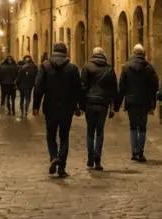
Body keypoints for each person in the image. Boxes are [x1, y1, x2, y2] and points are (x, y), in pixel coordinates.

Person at [33, 43, 81, 178]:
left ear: (53, 52)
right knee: (64, 137)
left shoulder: (45, 66)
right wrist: (79, 106)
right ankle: (62, 167)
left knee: (51, 134)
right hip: (67, 107)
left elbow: (38, 87)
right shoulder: (72, 68)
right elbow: (77, 89)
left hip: (50, 106)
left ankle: (54, 156)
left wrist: (36, 106)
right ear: (65, 52)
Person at [117, 44, 158, 162]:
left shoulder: (126, 67)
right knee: (142, 127)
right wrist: (153, 103)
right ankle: (141, 151)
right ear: (143, 54)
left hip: (131, 101)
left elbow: (122, 86)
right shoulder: (149, 68)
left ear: (134, 53)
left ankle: (134, 151)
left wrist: (118, 103)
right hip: (144, 101)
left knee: (133, 126)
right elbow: (154, 87)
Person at [79, 46, 119, 171]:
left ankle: (90, 157)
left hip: (90, 102)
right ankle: (98, 159)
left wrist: (81, 104)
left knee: (90, 131)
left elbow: (83, 87)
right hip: (103, 103)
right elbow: (113, 89)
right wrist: (114, 106)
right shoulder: (109, 69)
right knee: (100, 131)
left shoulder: (87, 67)